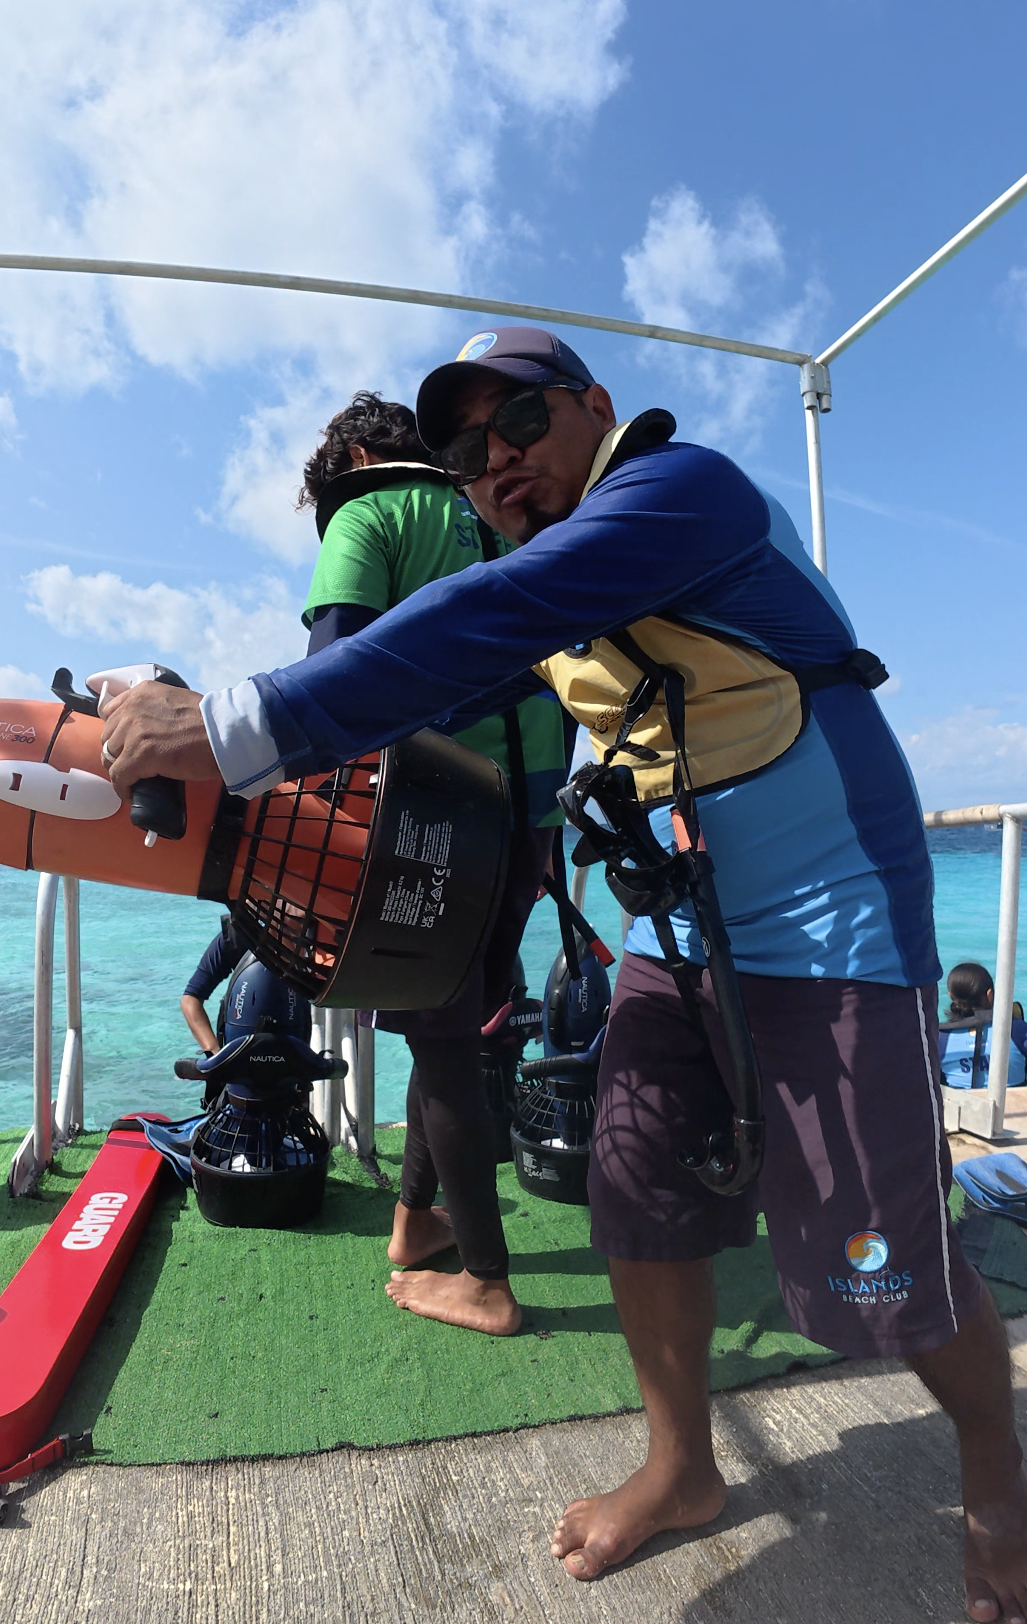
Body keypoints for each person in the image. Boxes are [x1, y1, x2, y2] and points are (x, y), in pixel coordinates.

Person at [100, 326, 1027, 1622]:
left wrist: (230, 726)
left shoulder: (679, 492)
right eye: (467, 457)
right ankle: (682, 1465)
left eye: (518, 427)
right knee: (632, 1188)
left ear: (594, 407)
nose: (495, 467)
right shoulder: (540, 587)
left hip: (833, 917)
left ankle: (996, 1472)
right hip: (678, 926)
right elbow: (432, 659)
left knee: (882, 1257)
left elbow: (487, 612)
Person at [297, 390, 570, 1337]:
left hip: (427, 812)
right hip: (532, 817)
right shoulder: (523, 520)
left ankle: (488, 1282)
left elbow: (332, 666)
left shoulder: (370, 511)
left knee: (441, 1036)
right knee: (451, 1026)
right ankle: (415, 1224)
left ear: (354, 466)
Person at [939, 962, 1027, 1090]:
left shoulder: (940, 1038)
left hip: (961, 1107)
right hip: (1013, 1107)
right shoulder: (1016, 1029)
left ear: (951, 996)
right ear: (990, 995)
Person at [179, 914, 253, 1055]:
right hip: (242, 1051)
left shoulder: (306, 938)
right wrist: (214, 1053)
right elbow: (190, 1000)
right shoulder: (237, 937)